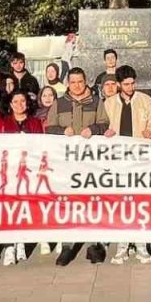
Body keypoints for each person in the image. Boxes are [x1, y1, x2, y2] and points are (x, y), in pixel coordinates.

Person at [45, 68, 109, 265]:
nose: (77, 86)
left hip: (91, 163)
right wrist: (62, 130)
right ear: (68, 84)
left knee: (91, 202)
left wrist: (94, 129)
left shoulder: (96, 102)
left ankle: (93, 245)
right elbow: (48, 128)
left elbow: (105, 124)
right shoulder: (59, 103)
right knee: (68, 204)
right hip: (67, 164)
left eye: (80, 82)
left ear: (86, 81)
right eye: (73, 82)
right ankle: (67, 247)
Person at [103, 65, 151, 263]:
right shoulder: (109, 103)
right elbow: (104, 126)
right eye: (126, 84)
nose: (130, 86)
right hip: (118, 160)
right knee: (120, 203)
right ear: (118, 84)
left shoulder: (145, 101)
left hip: (139, 160)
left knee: (140, 202)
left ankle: (142, 246)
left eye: (132, 83)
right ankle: (122, 246)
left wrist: (150, 132)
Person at [0, 92, 45, 263]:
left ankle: (21, 243)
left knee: (24, 209)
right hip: (9, 172)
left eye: (23, 101)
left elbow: (41, 146)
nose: (19, 105)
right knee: (10, 209)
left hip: (28, 172)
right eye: (15, 102)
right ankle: (9, 246)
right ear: (10, 104)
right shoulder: (4, 123)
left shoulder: (35, 122)